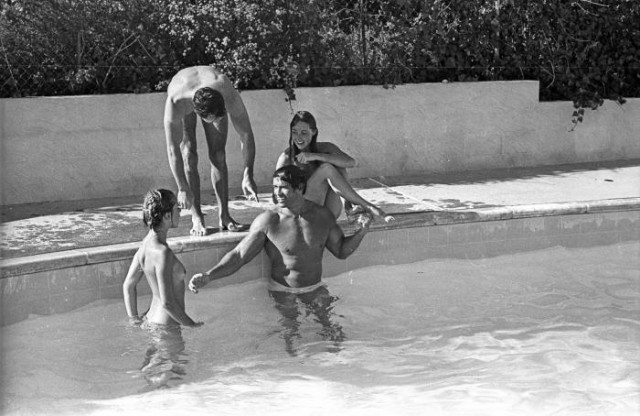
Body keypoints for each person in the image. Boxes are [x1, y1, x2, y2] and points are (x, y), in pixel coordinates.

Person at [188, 166, 372, 354]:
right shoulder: (269, 221)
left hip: (315, 288)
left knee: (334, 333)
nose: (277, 193)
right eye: (275, 187)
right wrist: (209, 275)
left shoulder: (322, 216)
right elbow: (239, 255)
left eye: (282, 187)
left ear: (300, 188)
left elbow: (342, 251)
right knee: (291, 338)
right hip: (283, 291)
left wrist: (362, 231)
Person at [164, 66, 259, 236]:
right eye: (214, 118)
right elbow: (172, 150)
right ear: (200, 114)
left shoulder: (225, 90)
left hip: (211, 89)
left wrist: (248, 174)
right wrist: (182, 188)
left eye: (220, 116)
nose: (219, 120)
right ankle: (197, 217)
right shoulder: (176, 102)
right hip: (184, 91)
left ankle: (225, 216)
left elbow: (246, 134)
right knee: (188, 154)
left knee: (218, 155)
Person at [275, 110, 394, 223]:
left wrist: (315, 156)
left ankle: (349, 207)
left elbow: (351, 162)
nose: (298, 137)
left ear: (314, 132)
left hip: (327, 210)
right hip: (301, 211)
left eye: (304, 133)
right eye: (294, 132)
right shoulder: (286, 157)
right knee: (326, 169)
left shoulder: (325, 148)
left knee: (337, 164)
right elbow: (276, 197)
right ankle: (370, 207)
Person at [123, 189, 203, 328]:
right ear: (167, 216)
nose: (180, 212)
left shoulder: (145, 246)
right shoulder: (163, 253)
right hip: (167, 327)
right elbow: (167, 303)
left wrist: (134, 320)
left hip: (150, 320)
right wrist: (192, 325)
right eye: (177, 209)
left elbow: (128, 286)